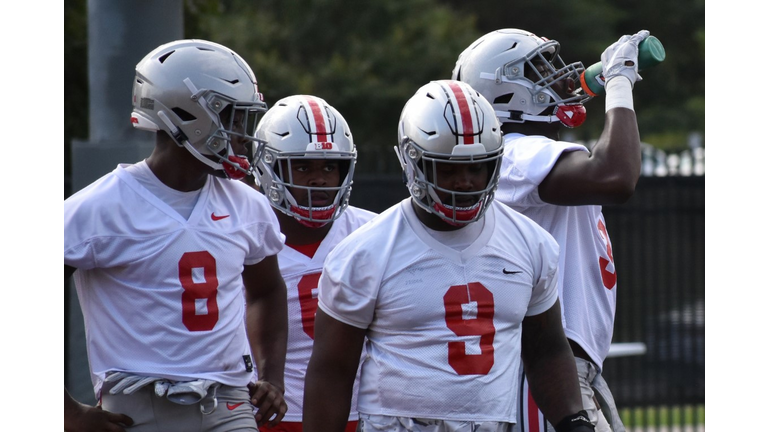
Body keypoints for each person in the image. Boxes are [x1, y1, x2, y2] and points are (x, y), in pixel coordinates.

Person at [303, 80, 596, 432]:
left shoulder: (531, 242)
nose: (465, 182)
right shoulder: (364, 251)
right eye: (449, 168)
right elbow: (332, 371)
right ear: (413, 163)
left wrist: (574, 422)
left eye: (476, 167)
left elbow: (546, 349)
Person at [64, 39, 289, 432]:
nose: (242, 134)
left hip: (230, 402)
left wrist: (272, 375)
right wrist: (64, 411)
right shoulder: (100, 206)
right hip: (138, 403)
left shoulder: (247, 205)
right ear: (187, 115)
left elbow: (268, 290)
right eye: (232, 118)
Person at [452, 29, 650, 432]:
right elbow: (616, 177)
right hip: (544, 372)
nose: (559, 77)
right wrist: (619, 84)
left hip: (562, 366)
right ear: (506, 91)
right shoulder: (515, 151)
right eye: (540, 69)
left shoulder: (533, 153)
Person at [245, 94, 377, 431]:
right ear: (268, 167)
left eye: (329, 167)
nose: (319, 180)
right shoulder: (241, 235)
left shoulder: (373, 232)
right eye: (303, 166)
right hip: (271, 415)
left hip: (361, 413)